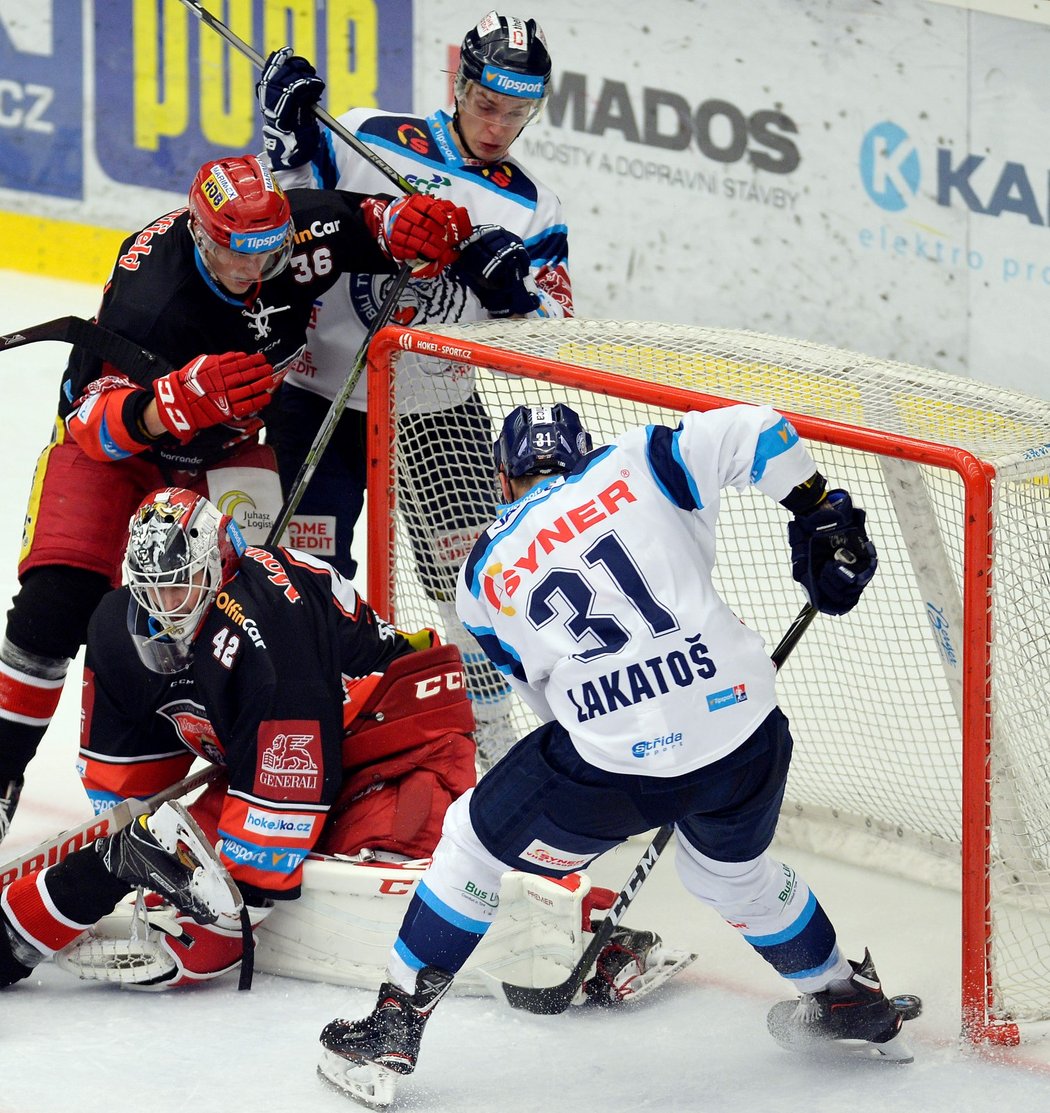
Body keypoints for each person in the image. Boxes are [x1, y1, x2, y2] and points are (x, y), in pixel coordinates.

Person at [316, 401, 913, 1106]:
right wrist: (819, 510)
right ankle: (846, 996)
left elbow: (548, 705)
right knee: (729, 874)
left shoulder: (481, 571)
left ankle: (394, 1023)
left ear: (504, 479)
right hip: (746, 734)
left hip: (614, 767)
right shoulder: (639, 459)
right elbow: (757, 427)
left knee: (472, 840)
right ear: (583, 451)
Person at [0, 153, 478, 842]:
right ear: (200, 235)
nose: (253, 271)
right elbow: (90, 423)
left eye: (267, 251)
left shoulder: (300, 228)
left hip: (226, 449)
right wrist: (172, 402)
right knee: (55, 603)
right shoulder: (152, 295)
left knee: (260, 607)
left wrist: (412, 225)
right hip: (123, 450)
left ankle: (253, 767)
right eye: (233, 254)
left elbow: (372, 221)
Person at [255, 11, 573, 766]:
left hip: (439, 409)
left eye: (518, 112)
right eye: (488, 104)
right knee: (306, 578)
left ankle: (489, 744)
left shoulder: (533, 208)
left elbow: (555, 333)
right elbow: (278, 226)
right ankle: (311, 731)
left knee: (479, 579)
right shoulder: (367, 135)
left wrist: (512, 294)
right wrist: (285, 144)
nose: (499, 127)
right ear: (457, 83)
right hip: (317, 392)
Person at [0, 487, 477, 989]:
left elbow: (244, 893)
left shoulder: (270, 633)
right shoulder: (120, 625)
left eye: (178, 587)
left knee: (385, 858)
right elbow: (129, 795)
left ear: (217, 566)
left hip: (398, 743)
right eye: (151, 589)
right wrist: (126, 848)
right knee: (169, 858)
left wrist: (226, 918)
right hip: (265, 752)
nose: (165, 608)